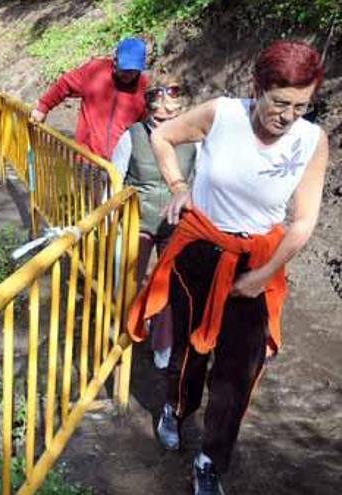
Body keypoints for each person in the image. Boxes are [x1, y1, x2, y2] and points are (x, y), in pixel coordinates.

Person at [126, 41, 330, 495]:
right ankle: (176, 411)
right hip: (200, 250)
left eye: (301, 106)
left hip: (259, 261)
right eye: (280, 103)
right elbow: (162, 137)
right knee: (189, 355)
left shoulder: (311, 141)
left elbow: (305, 220)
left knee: (240, 368)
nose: (288, 116)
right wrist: (178, 185)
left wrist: (263, 275)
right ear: (257, 88)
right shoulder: (222, 114)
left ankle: (210, 459)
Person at [112, 72, 196, 370]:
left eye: (171, 114)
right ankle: (123, 330)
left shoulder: (193, 140)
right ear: (148, 109)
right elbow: (114, 179)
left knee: (171, 284)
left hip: (176, 223)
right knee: (129, 277)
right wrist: (111, 217)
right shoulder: (132, 135)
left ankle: (163, 345)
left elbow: (200, 181)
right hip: (138, 219)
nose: (164, 120)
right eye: (157, 115)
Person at [30, 37, 150, 160]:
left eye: (133, 71)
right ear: (115, 61)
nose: (128, 74)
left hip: (120, 164)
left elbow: (142, 124)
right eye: (124, 69)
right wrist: (43, 107)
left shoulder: (143, 86)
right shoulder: (95, 70)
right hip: (87, 159)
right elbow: (65, 84)